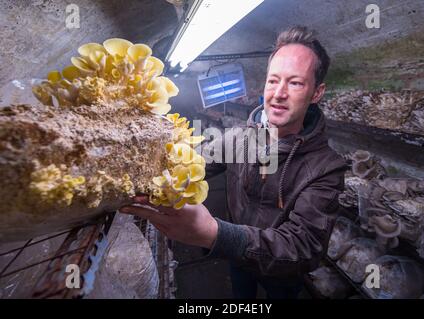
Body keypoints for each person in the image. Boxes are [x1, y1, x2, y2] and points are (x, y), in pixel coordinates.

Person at [120, 26, 347, 299]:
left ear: (317, 93)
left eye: (295, 83)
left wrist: (215, 234)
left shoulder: (326, 168)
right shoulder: (241, 138)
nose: (278, 93)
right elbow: (195, 160)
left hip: (282, 273)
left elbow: (303, 247)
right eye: (273, 80)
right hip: (238, 258)